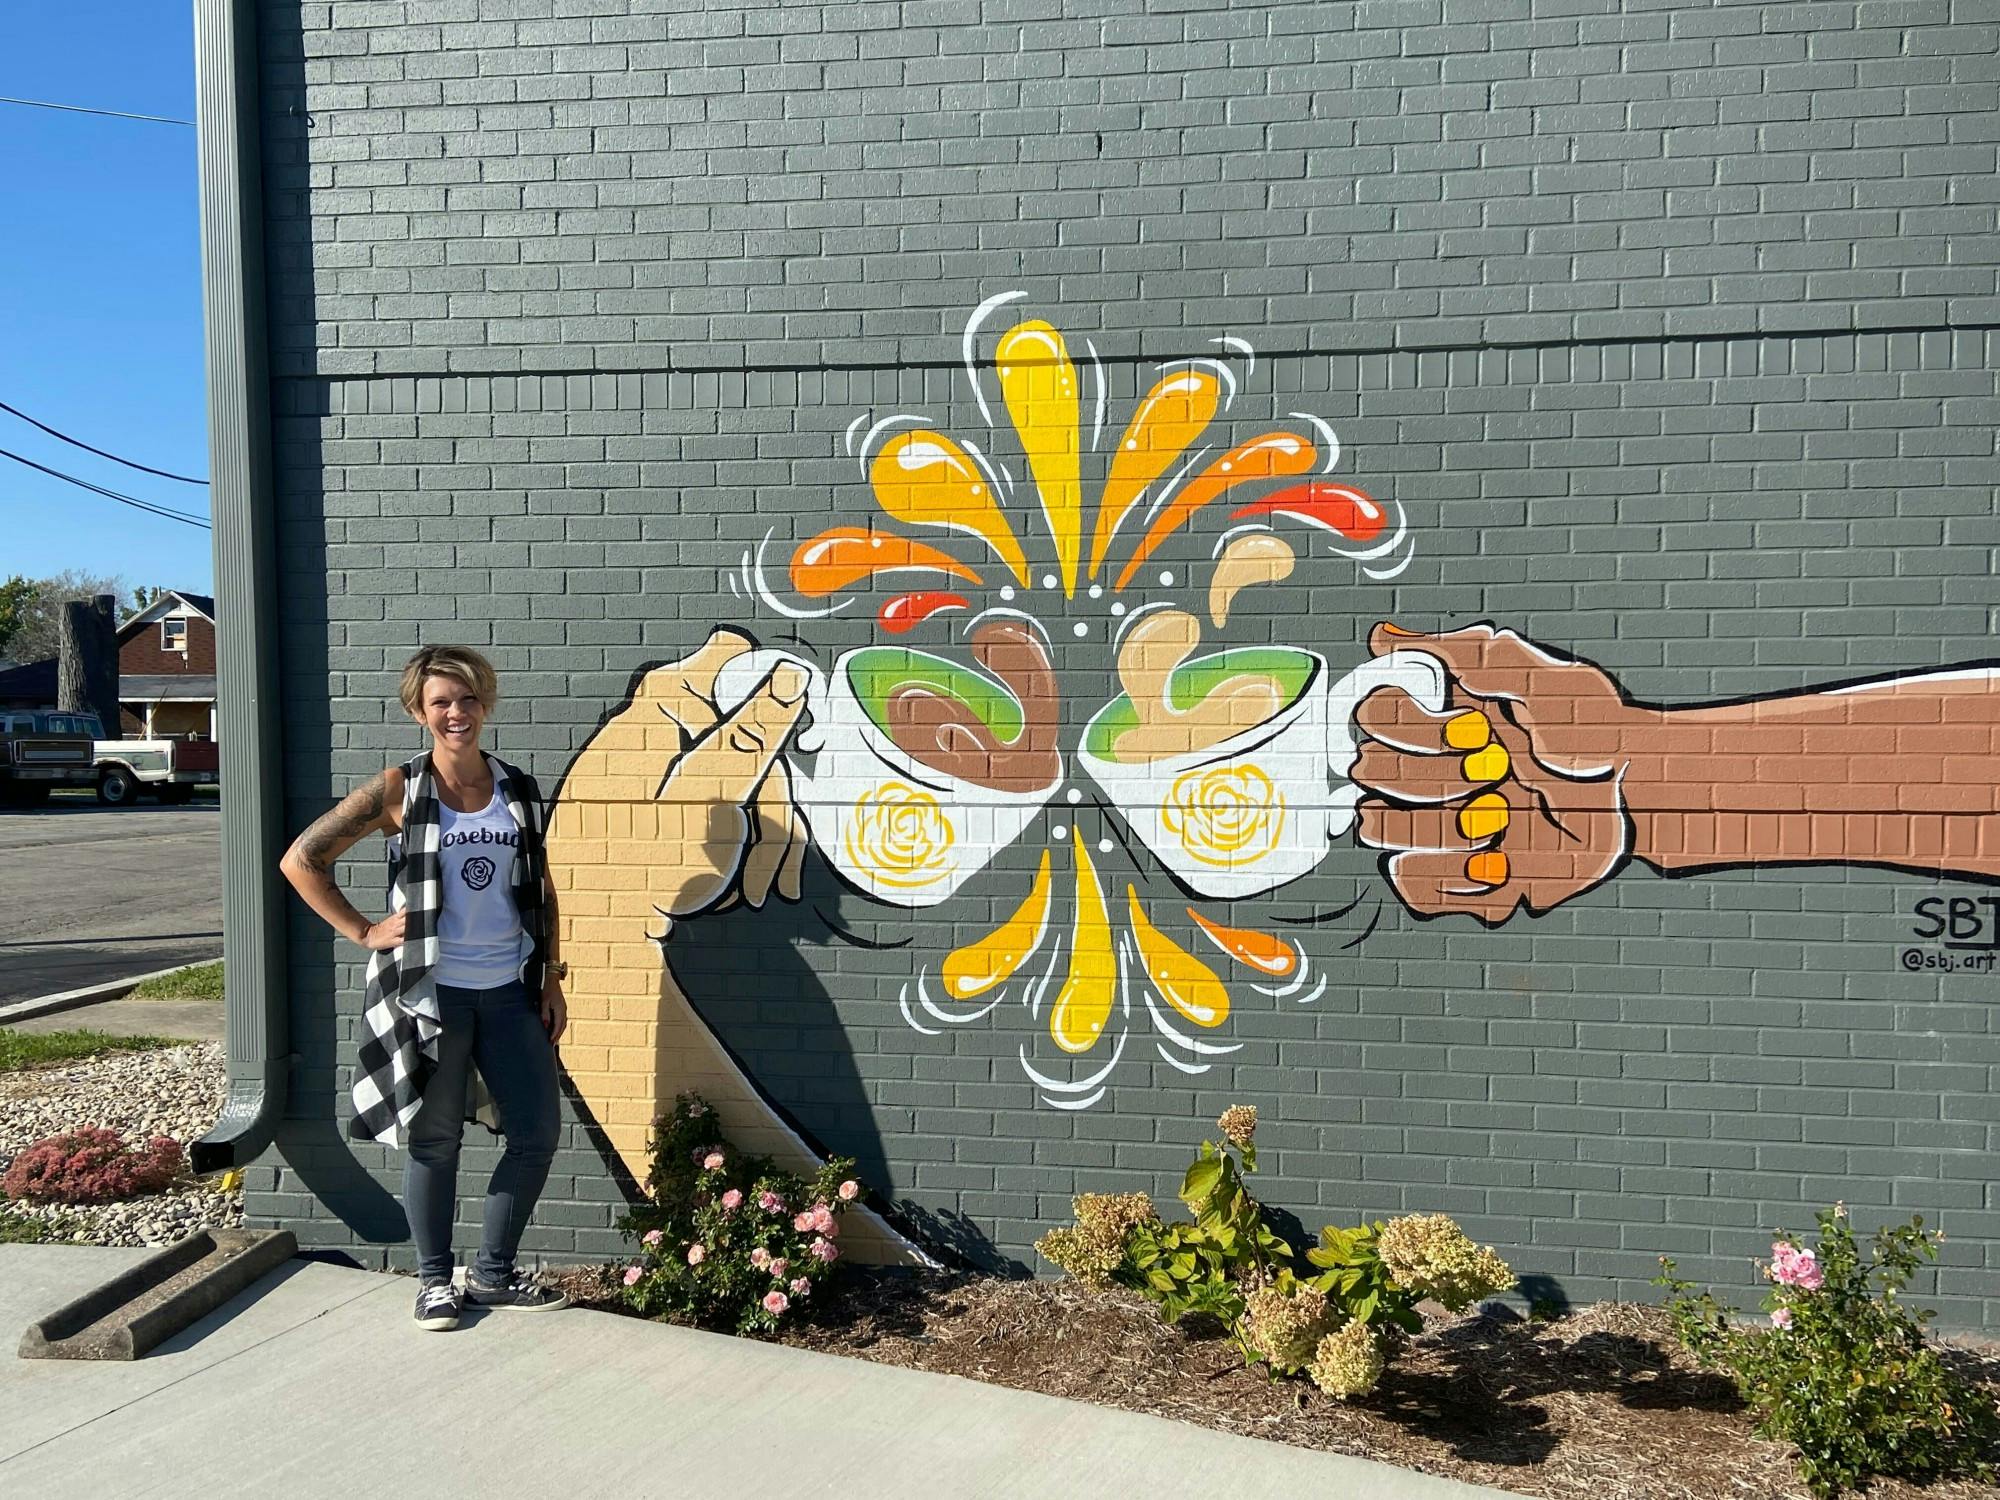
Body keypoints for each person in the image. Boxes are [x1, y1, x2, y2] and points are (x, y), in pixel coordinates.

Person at [279, 645, 570, 1330]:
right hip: (429, 994)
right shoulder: (397, 789)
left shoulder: (517, 787)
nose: (456, 713)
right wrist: (362, 930)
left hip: (509, 988)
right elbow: (301, 859)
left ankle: (494, 1273)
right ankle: (435, 1282)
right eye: (441, 701)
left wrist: (554, 973)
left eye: (467, 698)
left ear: (485, 703)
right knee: (434, 1141)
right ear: (419, 711)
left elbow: (543, 889)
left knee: (537, 1134)